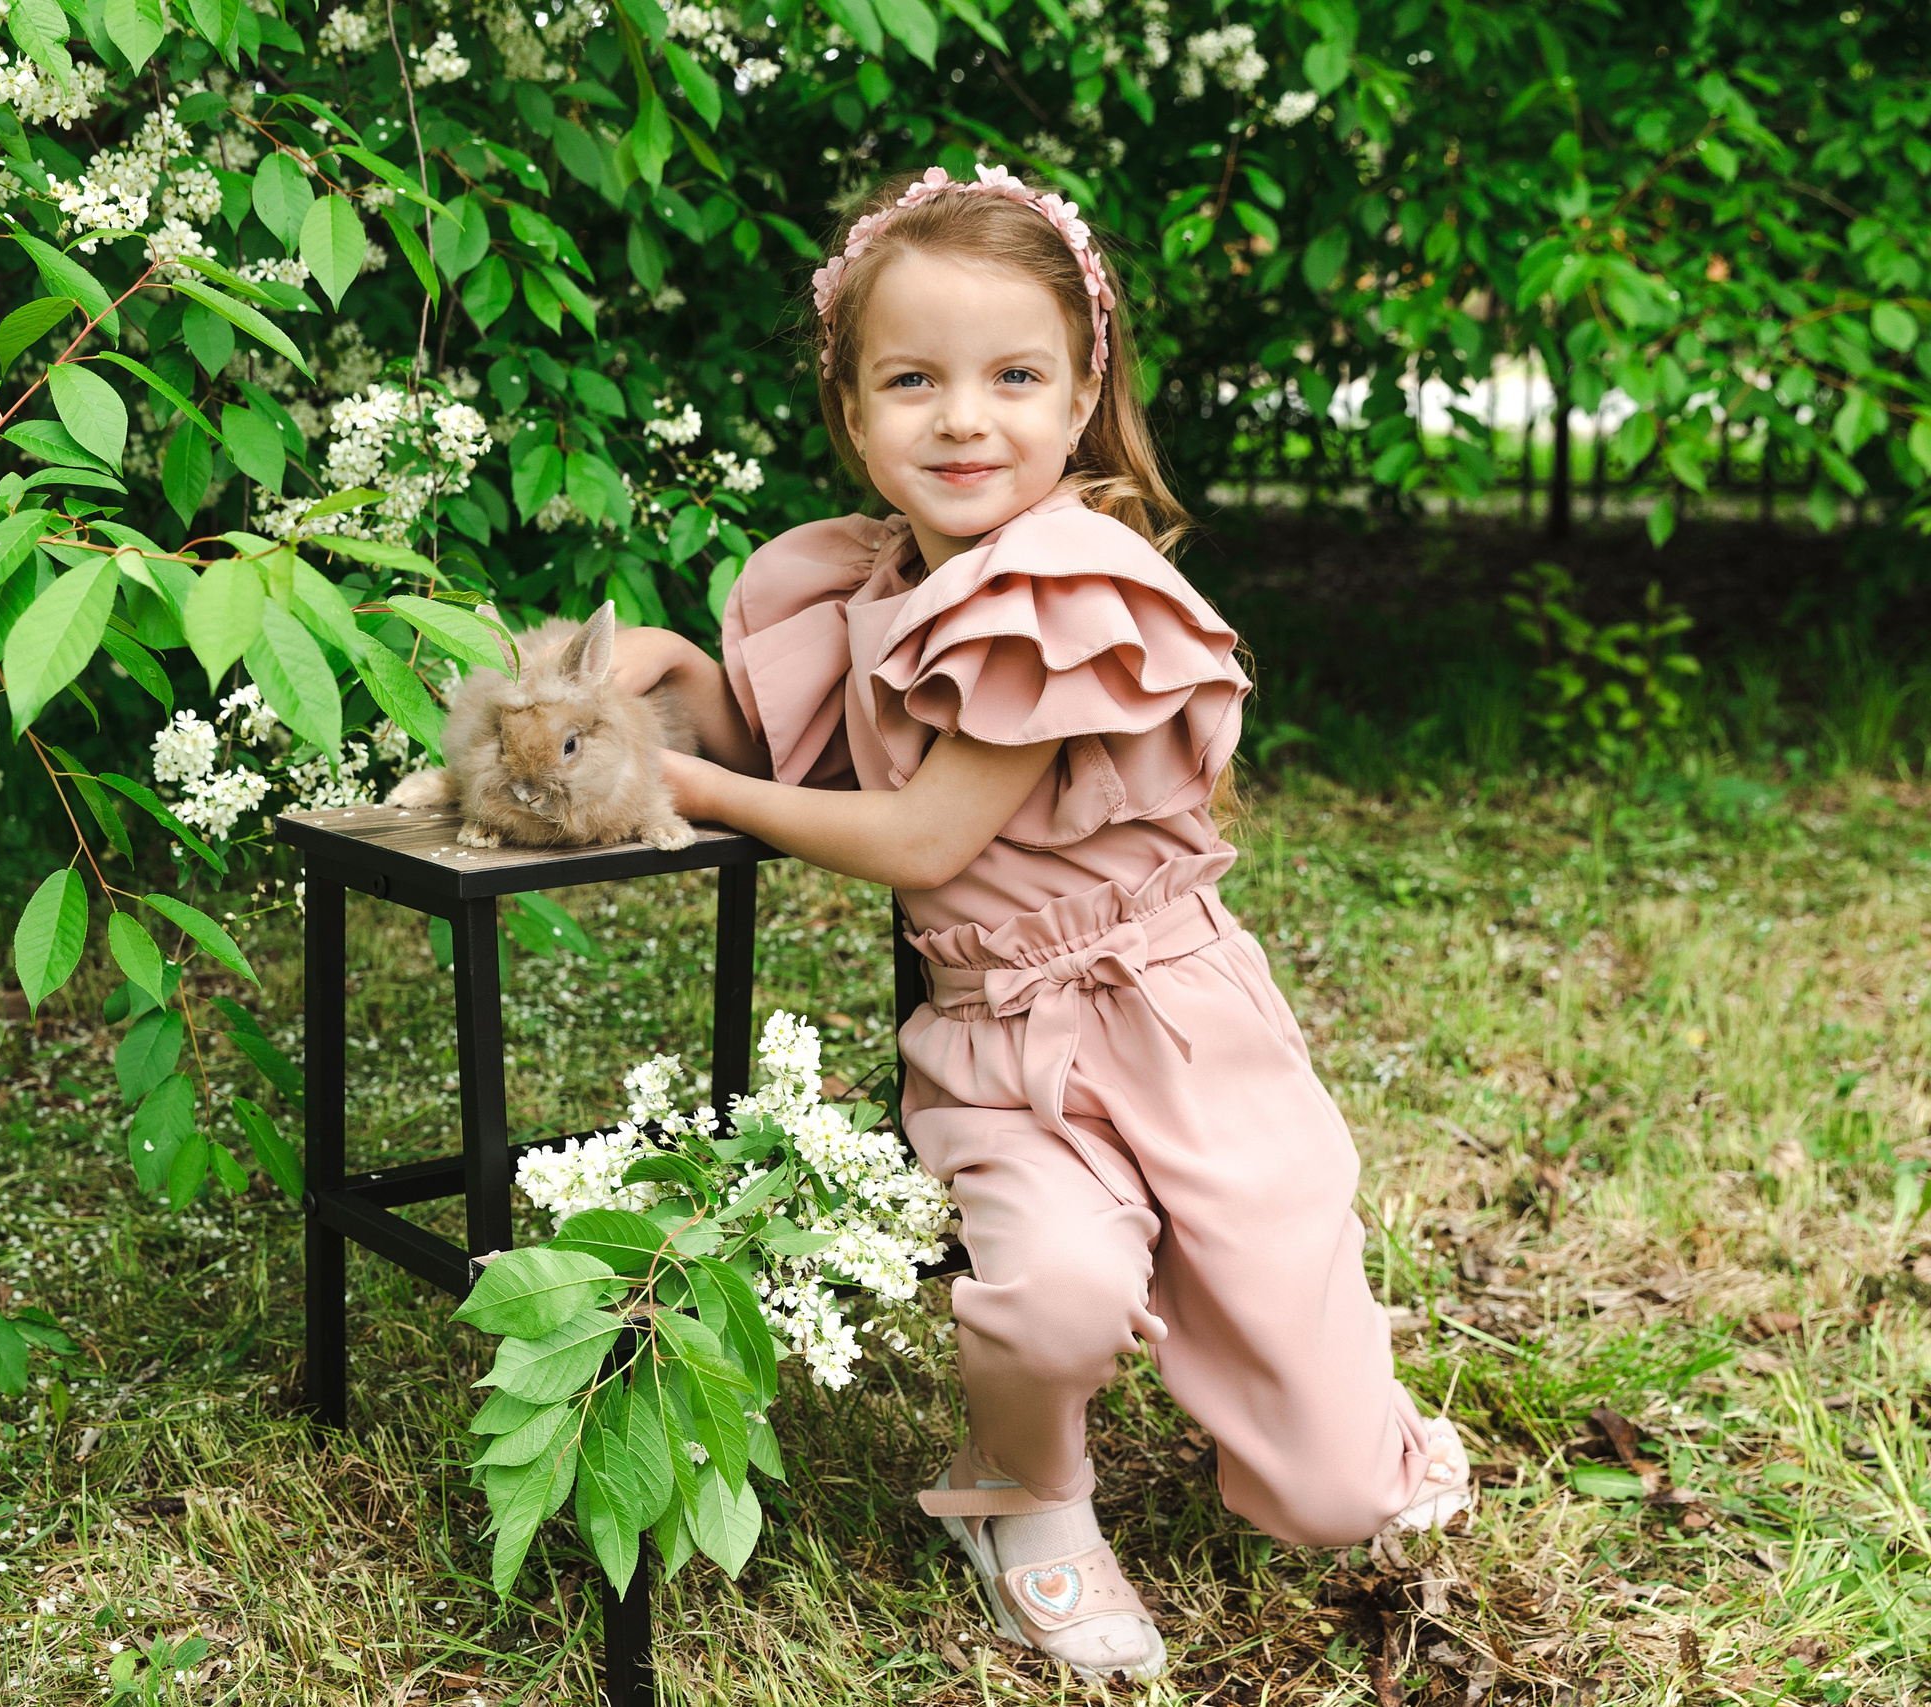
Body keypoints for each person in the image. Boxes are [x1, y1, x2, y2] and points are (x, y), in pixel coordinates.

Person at [608, 165, 1474, 1679]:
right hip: (998, 1039)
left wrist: (680, 779)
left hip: (1178, 1024)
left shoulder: (1066, 583)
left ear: (1081, 400)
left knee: (1338, 1498)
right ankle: (1025, 1497)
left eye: (1015, 378)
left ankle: (1326, 1369)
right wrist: (677, 671)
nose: (963, 419)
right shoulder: (873, 582)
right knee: (1054, 1289)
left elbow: (920, 833)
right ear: (852, 410)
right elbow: (779, 749)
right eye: (913, 381)